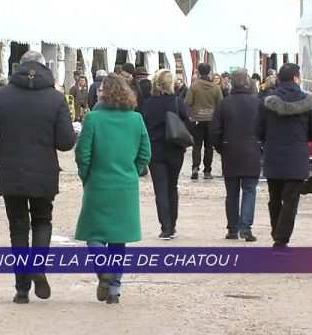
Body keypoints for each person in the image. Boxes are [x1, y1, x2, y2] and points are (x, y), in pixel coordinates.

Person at [0, 50, 76, 304]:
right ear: (44, 68)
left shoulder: (0, 97)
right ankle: (38, 266)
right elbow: (66, 141)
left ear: (19, 67)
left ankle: (21, 288)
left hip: (11, 171)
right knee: (42, 220)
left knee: (18, 228)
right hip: (44, 170)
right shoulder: (55, 98)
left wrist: (3, 157)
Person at [74, 73, 150, 304]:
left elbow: (82, 153)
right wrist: (132, 171)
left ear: (105, 93)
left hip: (98, 181)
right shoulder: (136, 119)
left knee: (93, 234)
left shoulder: (94, 119)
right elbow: (145, 153)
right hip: (125, 185)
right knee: (119, 239)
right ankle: (115, 289)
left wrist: (86, 175)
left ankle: (103, 271)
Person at [256, 63, 312, 247]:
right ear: (296, 78)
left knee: (274, 197)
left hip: (273, 154)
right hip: (297, 155)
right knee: (291, 200)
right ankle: (281, 238)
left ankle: (276, 231)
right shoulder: (308, 102)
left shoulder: (268, 102)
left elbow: (258, 129)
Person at [211, 69, 261, 242]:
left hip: (230, 151)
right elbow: (264, 129)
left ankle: (233, 229)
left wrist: (221, 148)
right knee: (249, 191)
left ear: (231, 82)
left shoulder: (224, 104)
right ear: (247, 83)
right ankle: (245, 227)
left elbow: (215, 131)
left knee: (231, 193)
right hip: (252, 151)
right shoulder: (257, 103)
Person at [143, 70, 188, 239]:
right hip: (175, 149)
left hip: (155, 150)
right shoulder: (177, 102)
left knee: (160, 190)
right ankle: (173, 224)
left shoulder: (149, 104)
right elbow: (187, 122)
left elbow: (145, 125)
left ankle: (165, 227)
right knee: (172, 187)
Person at [184, 63, 223, 180]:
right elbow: (221, 104)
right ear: (209, 71)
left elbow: (187, 102)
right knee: (209, 146)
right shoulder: (216, 87)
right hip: (211, 120)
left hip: (197, 119)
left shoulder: (194, 86)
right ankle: (207, 171)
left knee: (197, 145)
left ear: (199, 72)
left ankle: (195, 167)